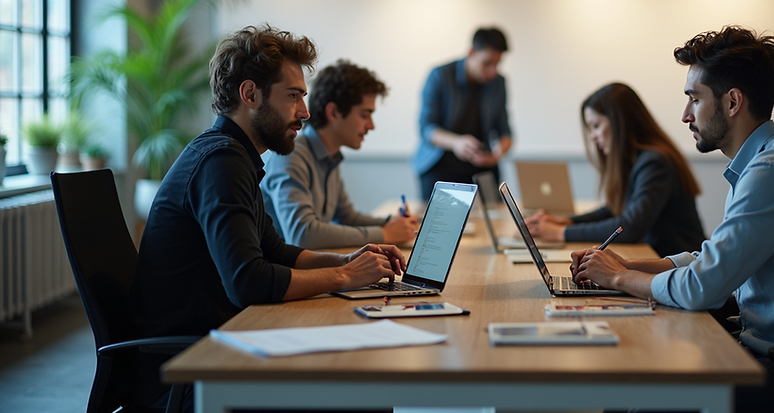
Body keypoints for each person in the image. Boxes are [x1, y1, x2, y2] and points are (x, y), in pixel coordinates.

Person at [571, 27, 774, 413]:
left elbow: (703, 288)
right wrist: (625, 264)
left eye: (694, 99)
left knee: (641, 392)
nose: (684, 115)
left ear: (732, 102)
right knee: (637, 380)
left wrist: (616, 279)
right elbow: (708, 260)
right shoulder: (760, 164)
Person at [129, 25, 406, 411]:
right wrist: (345, 277)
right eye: (293, 96)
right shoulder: (221, 162)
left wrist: (349, 259)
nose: (305, 112)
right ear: (250, 94)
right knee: (362, 388)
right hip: (187, 372)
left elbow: (275, 250)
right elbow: (247, 282)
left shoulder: (234, 157)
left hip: (217, 346)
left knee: (361, 378)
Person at [525, 83, 705, 257]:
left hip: (684, 271)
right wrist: (568, 221)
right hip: (662, 263)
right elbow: (615, 210)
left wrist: (561, 232)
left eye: (596, 126)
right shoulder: (638, 159)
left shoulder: (655, 162)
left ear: (620, 123)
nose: (593, 137)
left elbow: (630, 226)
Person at [261, 60, 420, 249]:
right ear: (334, 112)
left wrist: (390, 223)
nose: (371, 125)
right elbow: (302, 234)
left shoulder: (329, 156)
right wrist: (384, 234)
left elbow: (347, 217)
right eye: (364, 114)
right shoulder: (291, 155)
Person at [412, 27, 513, 199]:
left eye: (497, 64)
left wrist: (498, 153)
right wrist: (456, 143)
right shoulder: (440, 76)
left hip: (481, 168)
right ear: (472, 52)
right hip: (440, 167)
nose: (492, 71)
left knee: (495, 221)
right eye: (487, 63)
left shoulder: (498, 83)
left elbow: (505, 131)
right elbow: (426, 128)